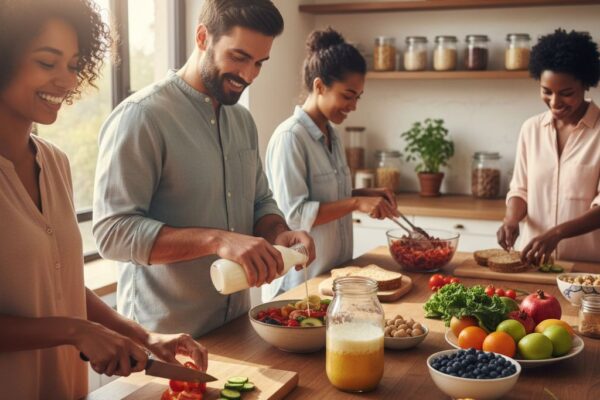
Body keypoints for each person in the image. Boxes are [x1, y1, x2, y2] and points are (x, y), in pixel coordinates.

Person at [0, 0, 207, 398]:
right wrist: (77, 331)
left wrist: (146, 337)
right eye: (47, 63)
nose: (66, 80)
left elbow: (58, 282)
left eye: (74, 65)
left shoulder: (55, 163)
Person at [92, 0, 315, 338]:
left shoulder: (242, 121)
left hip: (237, 328)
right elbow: (113, 234)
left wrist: (278, 231)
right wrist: (217, 240)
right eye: (239, 57)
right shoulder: (142, 117)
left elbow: (261, 202)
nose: (249, 75)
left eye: (259, 63)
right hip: (165, 341)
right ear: (201, 37)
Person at [262, 28, 400, 300]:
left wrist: (363, 195)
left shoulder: (332, 134)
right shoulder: (290, 137)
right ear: (319, 86)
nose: (353, 106)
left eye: (357, 97)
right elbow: (295, 215)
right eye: (347, 95)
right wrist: (355, 204)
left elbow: (327, 199)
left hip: (331, 278)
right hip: (299, 285)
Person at [498, 29, 600, 264]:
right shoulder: (531, 129)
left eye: (566, 93)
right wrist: (511, 220)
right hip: (531, 264)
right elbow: (520, 189)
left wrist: (557, 233)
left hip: (586, 269)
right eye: (546, 91)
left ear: (586, 84)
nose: (555, 102)